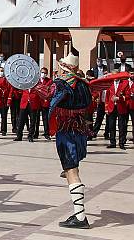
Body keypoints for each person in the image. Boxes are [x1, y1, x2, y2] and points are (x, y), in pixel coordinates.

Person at [34, 54, 93, 228]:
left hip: (67, 131)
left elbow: (47, 94)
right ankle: (78, 211)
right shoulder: (83, 85)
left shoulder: (61, 84)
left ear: (64, 67)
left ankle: (80, 216)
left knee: (72, 170)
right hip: (80, 130)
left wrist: (33, 84)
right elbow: (89, 105)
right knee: (71, 167)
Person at [105, 69, 129, 150]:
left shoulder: (124, 83)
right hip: (112, 107)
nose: (114, 77)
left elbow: (128, 95)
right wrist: (106, 107)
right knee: (111, 126)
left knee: (121, 126)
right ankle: (112, 142)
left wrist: (119, 98)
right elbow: (107, 97)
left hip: (121, 107)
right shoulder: (110, 84)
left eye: (115, 75)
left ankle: (121, 143)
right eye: (113, 75)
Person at [39, 67, 54, 140]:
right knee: (36, 118)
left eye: (45, 73)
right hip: (37, 102)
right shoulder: (37, 80)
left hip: (45, 101)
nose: (43, 74)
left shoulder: (50, 81)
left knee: (45, 118)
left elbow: (50, 90)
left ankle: (46, 133)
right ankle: (35, 133)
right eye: (42, 72)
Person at [0, 67, 9, 136]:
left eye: (2, 71)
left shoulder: (6, 80)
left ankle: (3, 130)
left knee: (4, 116)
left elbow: (8, 89)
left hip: (4, 100)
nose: (0, 72)